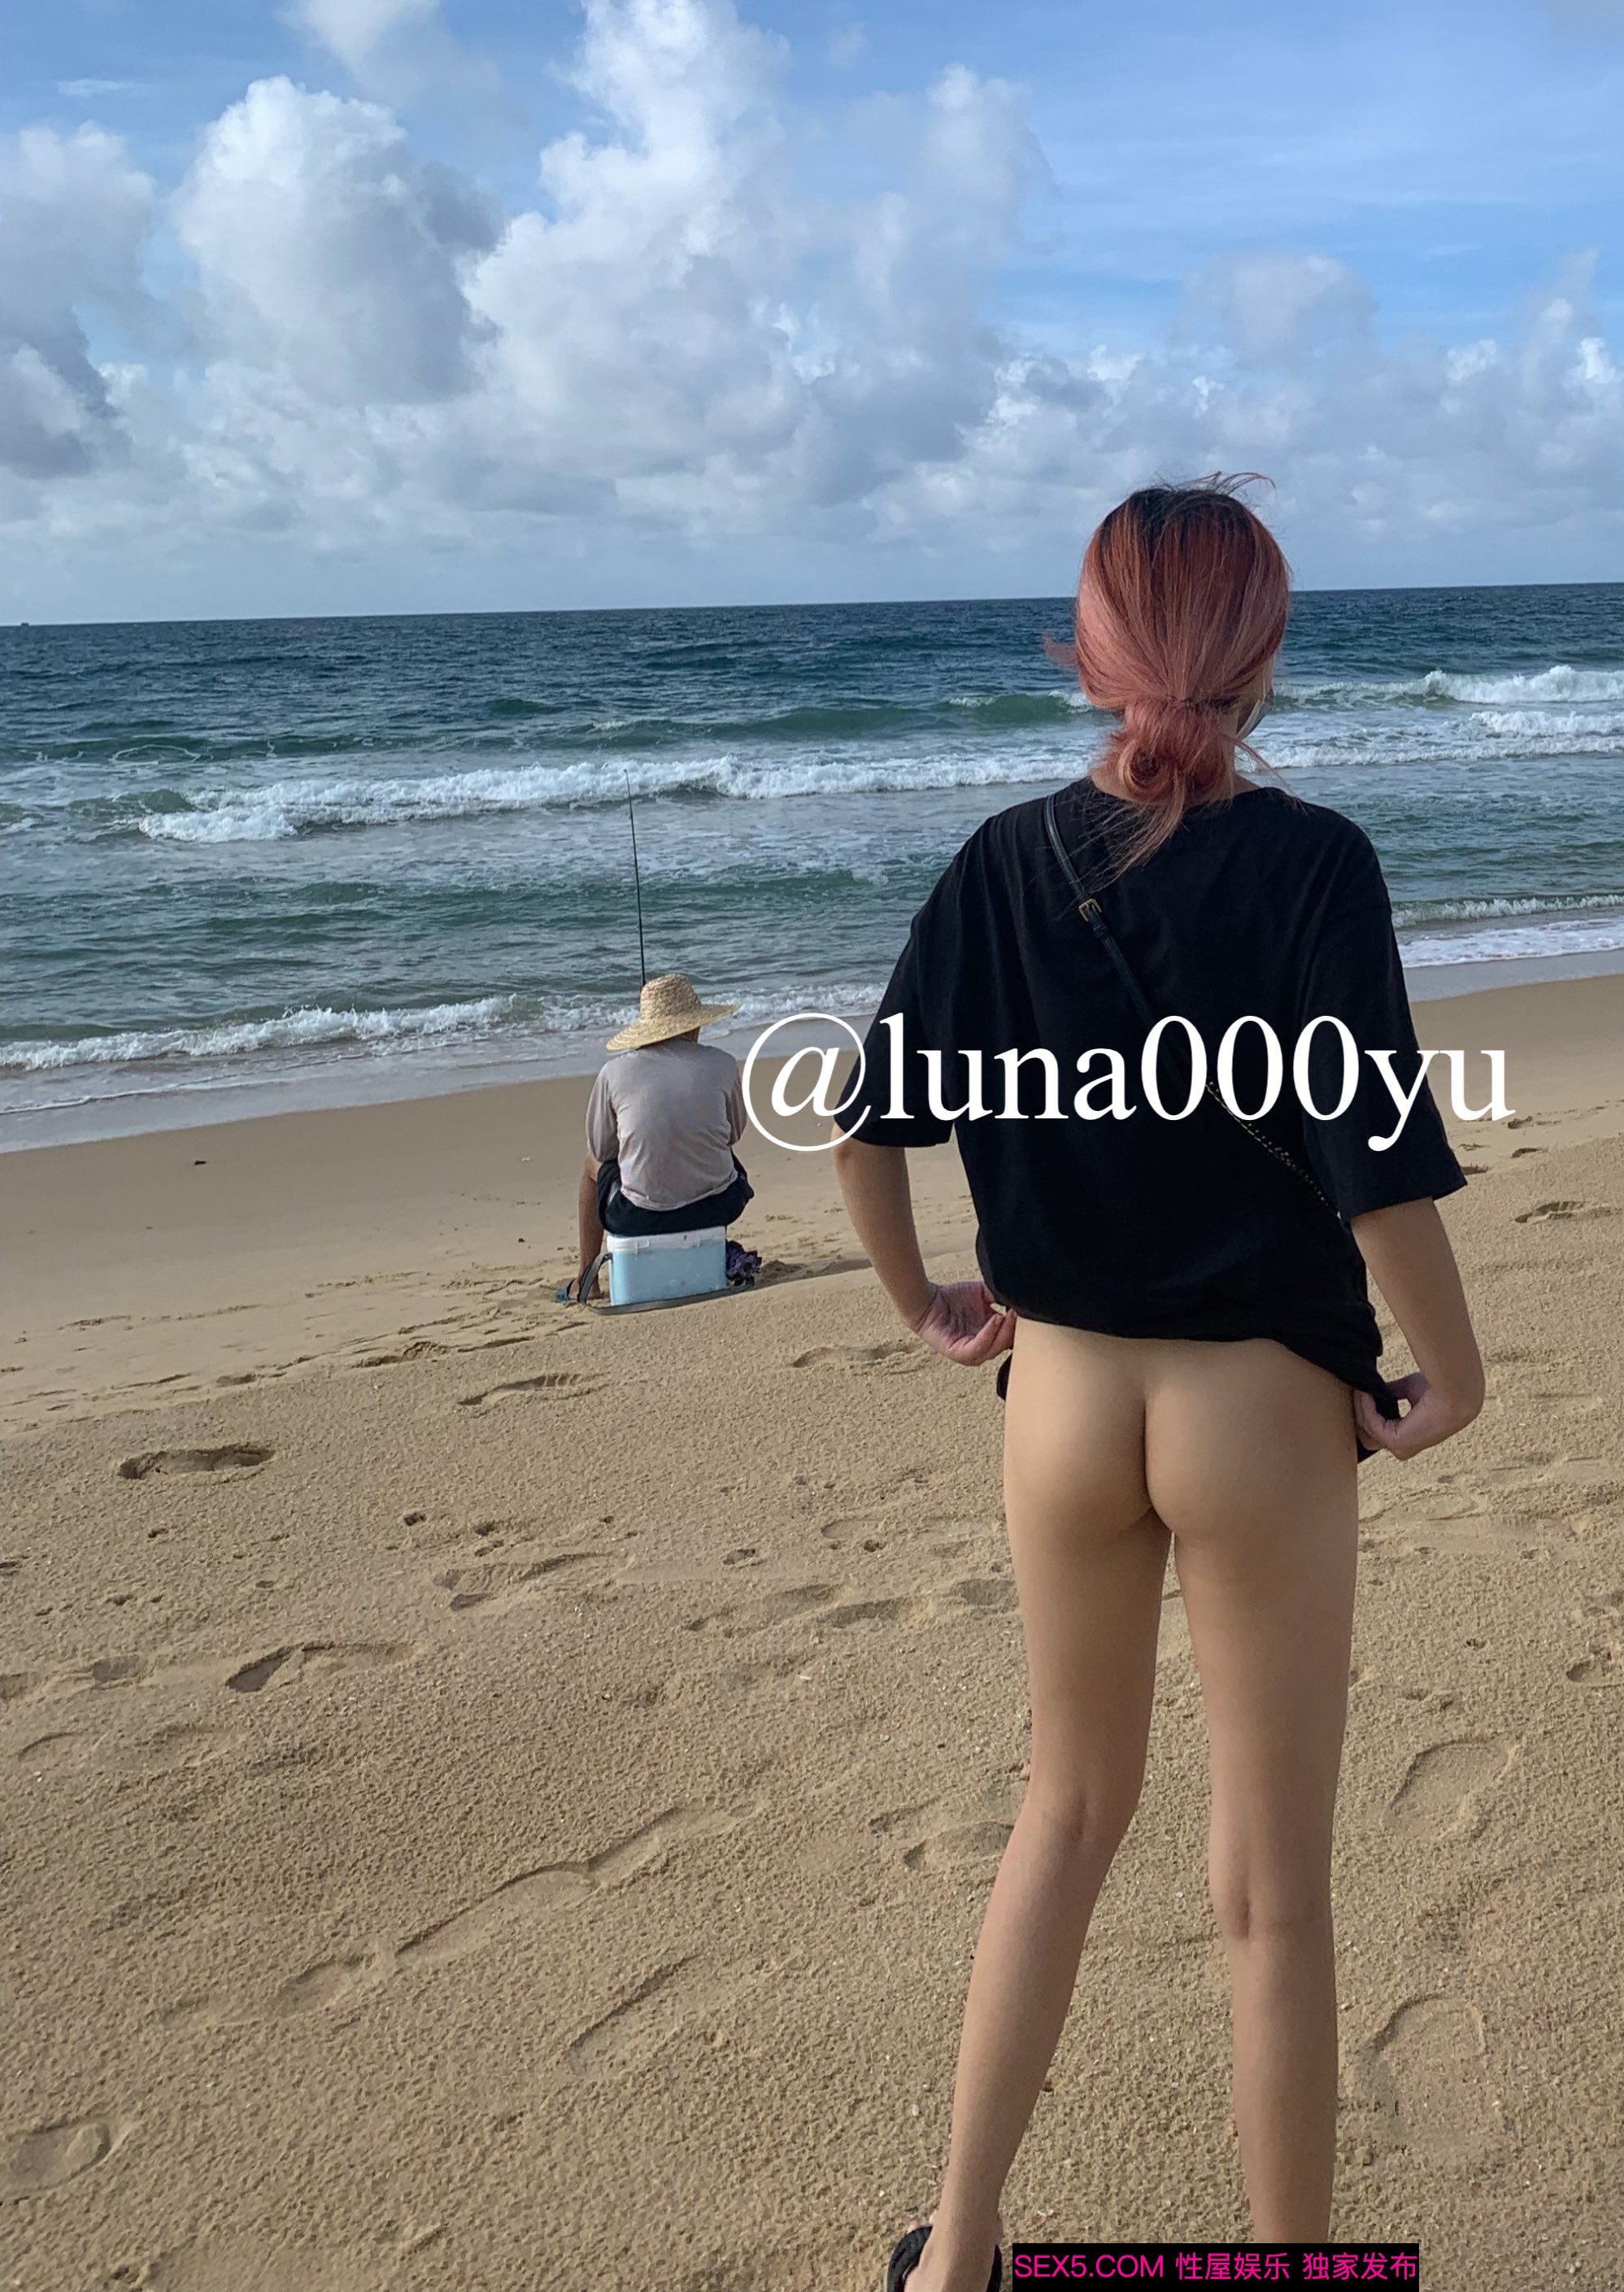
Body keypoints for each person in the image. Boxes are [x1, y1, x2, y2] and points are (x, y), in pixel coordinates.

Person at [832, 478, 1486, 2292]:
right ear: (1263, 655)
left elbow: (864, 1131)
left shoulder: (1000, 859)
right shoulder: (1314, 863)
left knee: (1062, 1814)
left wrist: (927, 1305)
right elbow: (1374, 1158)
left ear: (1090, 650)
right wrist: (1453, 1370)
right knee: (1269, 1890)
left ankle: (960, 2253)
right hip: (1256, 1408)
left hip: (1060, 1403)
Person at [563, 971, 755, 1303]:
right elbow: (734, 1132)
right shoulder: (723, 1064)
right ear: (693, 1026)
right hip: (720, 1206)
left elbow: (602, 1149)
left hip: (639, 1216)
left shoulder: (614, 1072)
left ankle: (585, 1280)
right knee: (715, 1150)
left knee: (589, 1164)